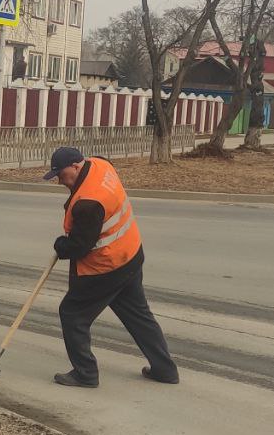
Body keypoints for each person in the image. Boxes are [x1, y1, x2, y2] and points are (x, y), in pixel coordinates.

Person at [45, 146, 179, 388]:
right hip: (130, 255)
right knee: (139, 315)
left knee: (73, 314)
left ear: (76, 166)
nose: (60, 182)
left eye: (62, 175)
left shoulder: (88, 203)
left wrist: (61, 244)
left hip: (105, 268)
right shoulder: (101, 164)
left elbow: (79, 247)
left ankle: (85, 374)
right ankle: (165, 370)